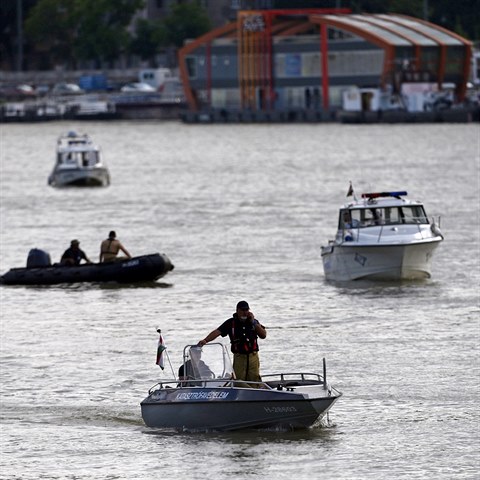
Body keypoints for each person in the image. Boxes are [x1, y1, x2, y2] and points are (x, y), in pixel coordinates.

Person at [198, 301, 267, 384]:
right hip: (239, 357)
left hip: (253, 356)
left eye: (246, 310)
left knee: (254, 379)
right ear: (237, 310)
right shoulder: (231, 323)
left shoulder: (254, 322)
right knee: (238, 381)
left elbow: (263, 335)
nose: (245, 312)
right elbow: (217, 332)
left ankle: (257, 391)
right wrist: (205, 340)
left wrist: (253, 322)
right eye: (242, 310)